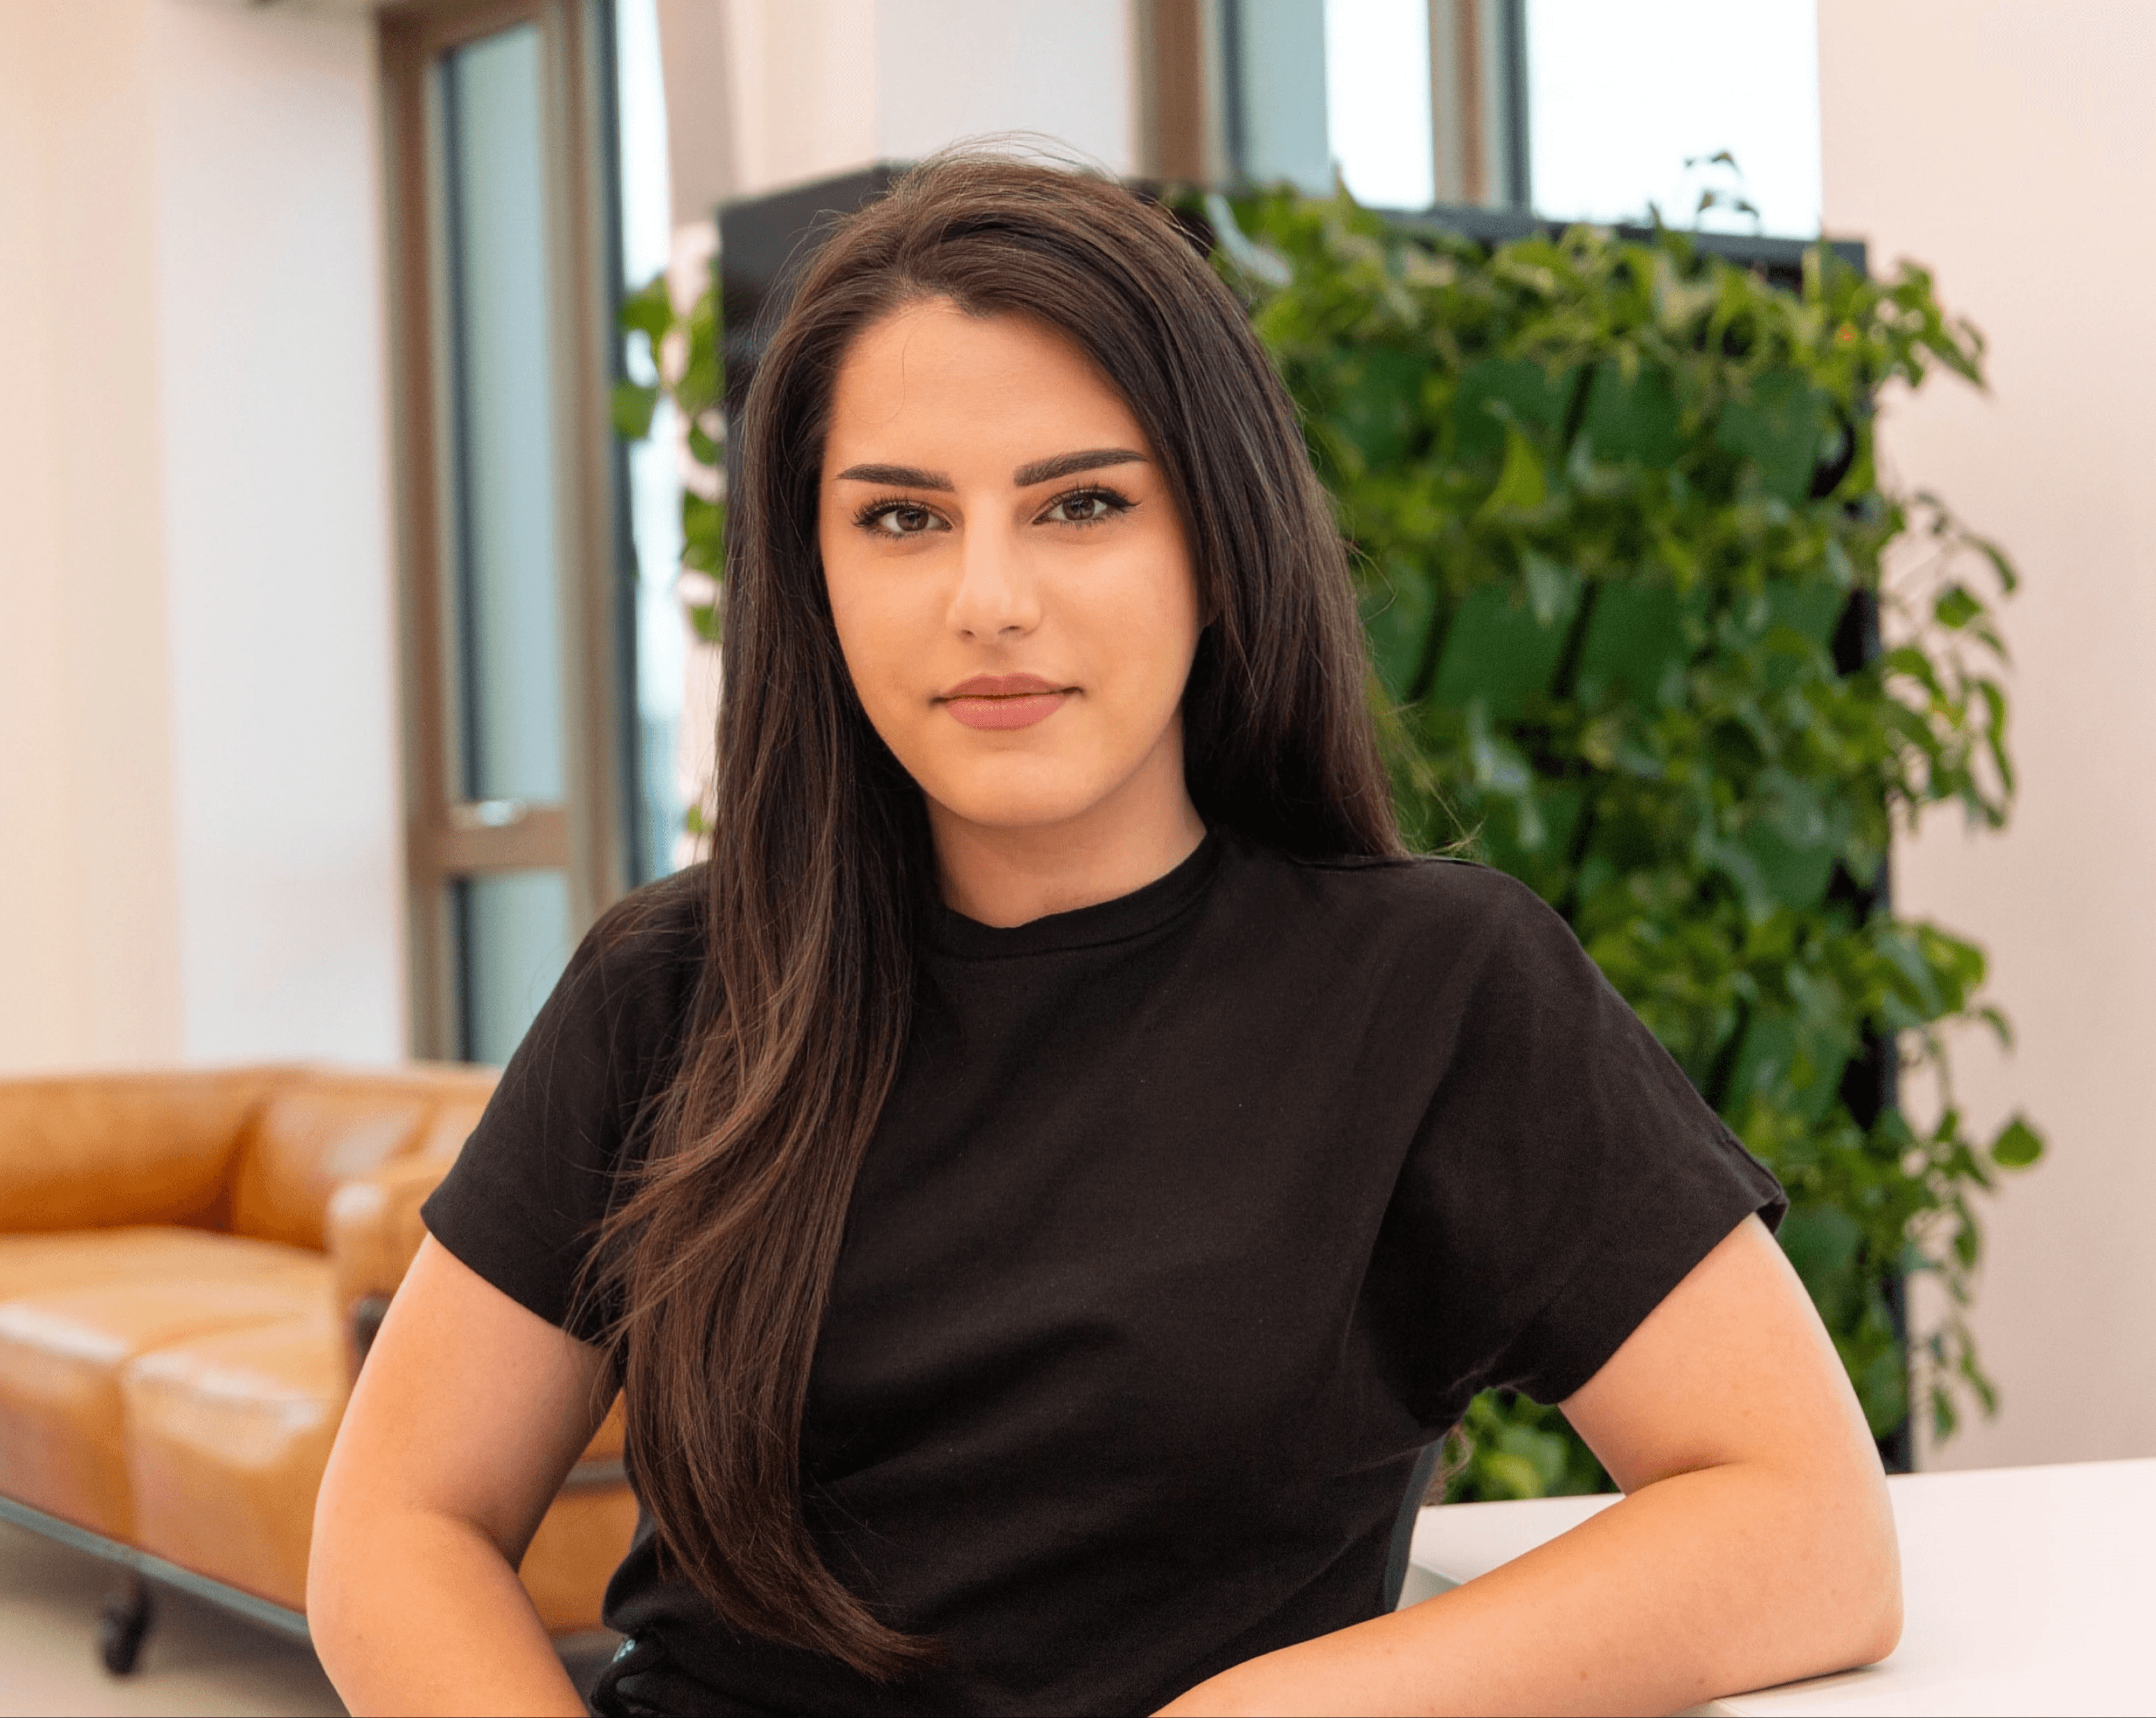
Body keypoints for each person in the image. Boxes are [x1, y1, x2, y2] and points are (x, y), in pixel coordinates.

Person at [308, 154, 1900, 1717]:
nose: (988, 600)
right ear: (816, 574)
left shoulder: (1433, 990)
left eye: (1079, 505)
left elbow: (1805, 1526)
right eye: (903, 520)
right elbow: (400, 1524)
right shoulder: (673, 991)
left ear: (1216, 541)